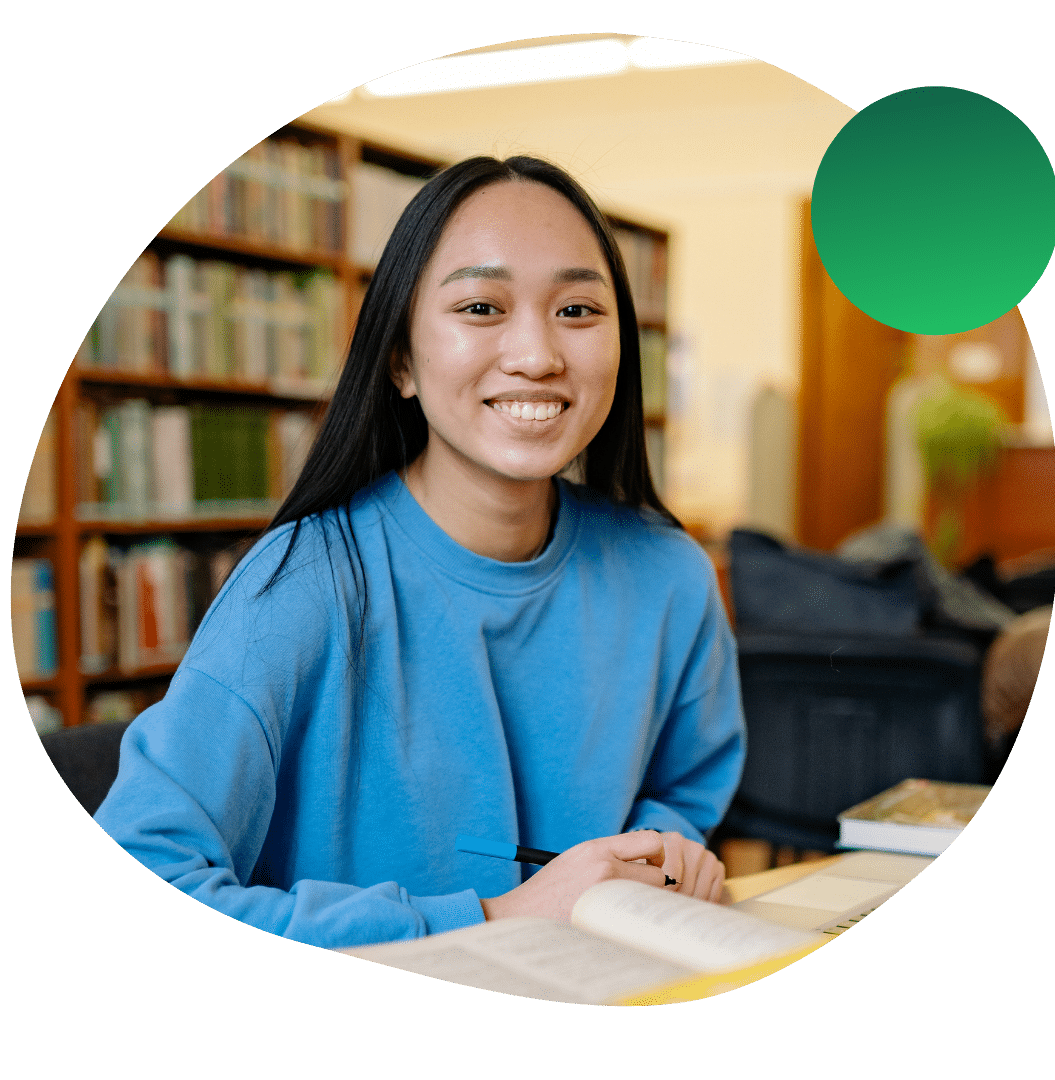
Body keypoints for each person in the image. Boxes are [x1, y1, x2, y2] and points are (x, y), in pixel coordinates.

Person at [94, 155, 746, 950]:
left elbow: (681, 793)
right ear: (400, 359)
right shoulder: (302, 584)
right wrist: (496, 918)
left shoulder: (670, 574)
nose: (538, 354)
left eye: (578, 309)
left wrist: (665, 856)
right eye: (481, 306)